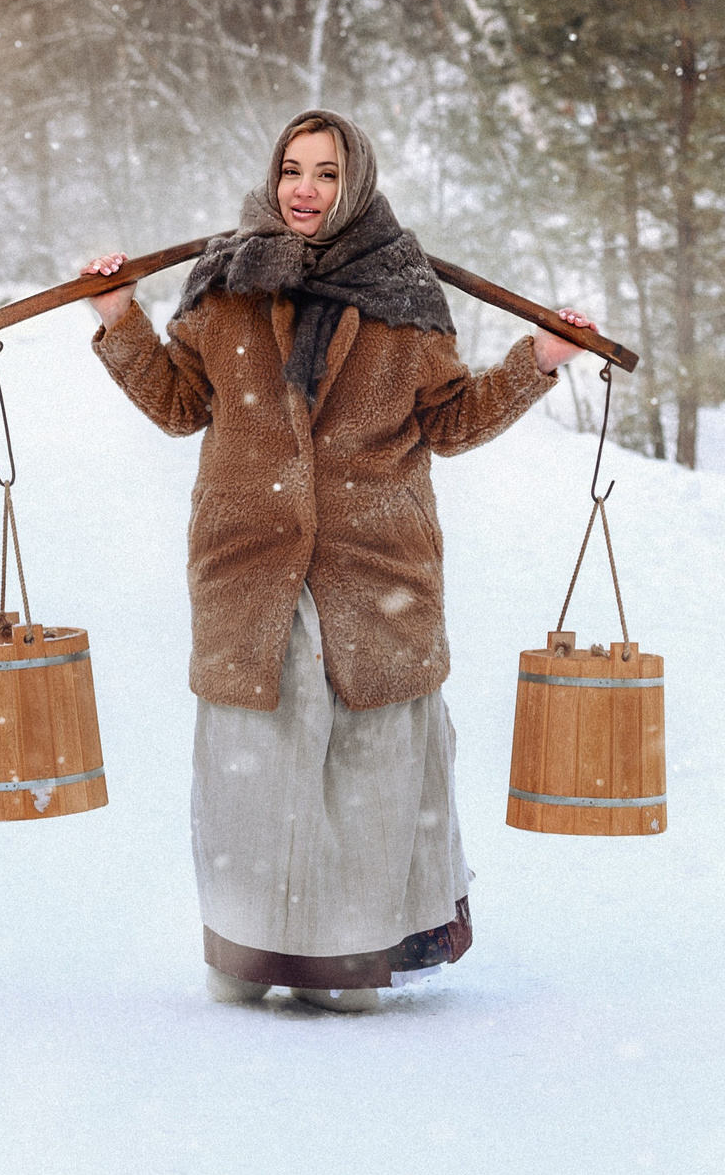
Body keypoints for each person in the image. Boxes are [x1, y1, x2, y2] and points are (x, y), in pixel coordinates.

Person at [85, 109, 594, 1012]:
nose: (305, 191)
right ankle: (246, 955)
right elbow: (177, 403)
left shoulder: (403, 297)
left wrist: (539, 359)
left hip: (375, 568)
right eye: (292, 170)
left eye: (326, 173)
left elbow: (450, 421)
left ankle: (351, 961)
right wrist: (118, 318)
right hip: (251, 565)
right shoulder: (226, 286)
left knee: (370, 771)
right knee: (256, 768)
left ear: (354, 183)